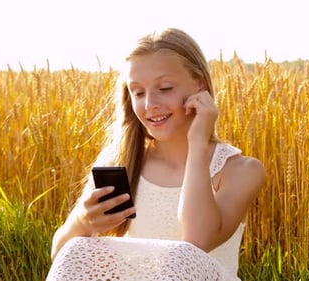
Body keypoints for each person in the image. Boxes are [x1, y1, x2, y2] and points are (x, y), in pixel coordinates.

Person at [47, 27, 266, 281]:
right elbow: (65, 260)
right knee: (77, 246)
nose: (150, 104)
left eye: (165, 88)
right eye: (138, 92)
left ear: (200, 86)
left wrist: (198, 143)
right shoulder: (120, 160)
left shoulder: (240, 171)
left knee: (185, 256)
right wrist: (82, 222)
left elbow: (195, 244)